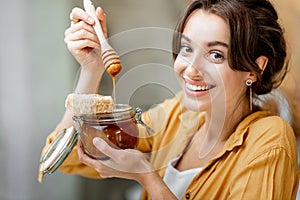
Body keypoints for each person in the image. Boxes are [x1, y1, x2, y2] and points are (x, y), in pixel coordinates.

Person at [42, 0, 299, 199]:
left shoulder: (270, 141)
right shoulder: (179, 115)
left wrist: (148, 177)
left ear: (255, 68)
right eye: (187, 48)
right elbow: (66, 157)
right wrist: (91, 68)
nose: (190, 69)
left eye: (216, 55)